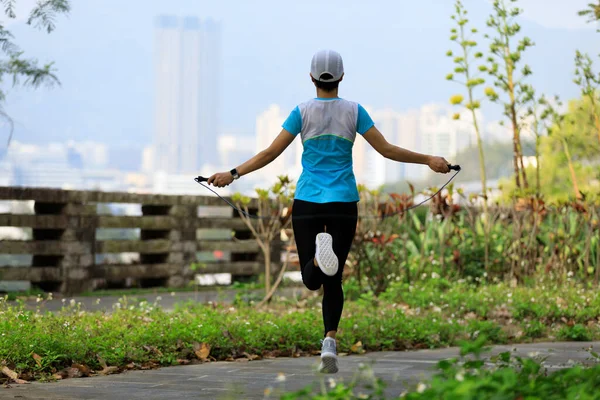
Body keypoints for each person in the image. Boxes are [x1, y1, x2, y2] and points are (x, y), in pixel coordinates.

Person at [207, 49, 450, 374]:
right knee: (334, 280)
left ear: (311, 78)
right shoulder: (354, 111)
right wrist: (429, 159)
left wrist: (232, 174)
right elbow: (387, 149)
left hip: (308, 202)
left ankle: (320, 262)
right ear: (341, 77)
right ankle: (329, 344)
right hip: (343, 203)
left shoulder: (301, 112)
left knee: (312, 279)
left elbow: (269, 153)